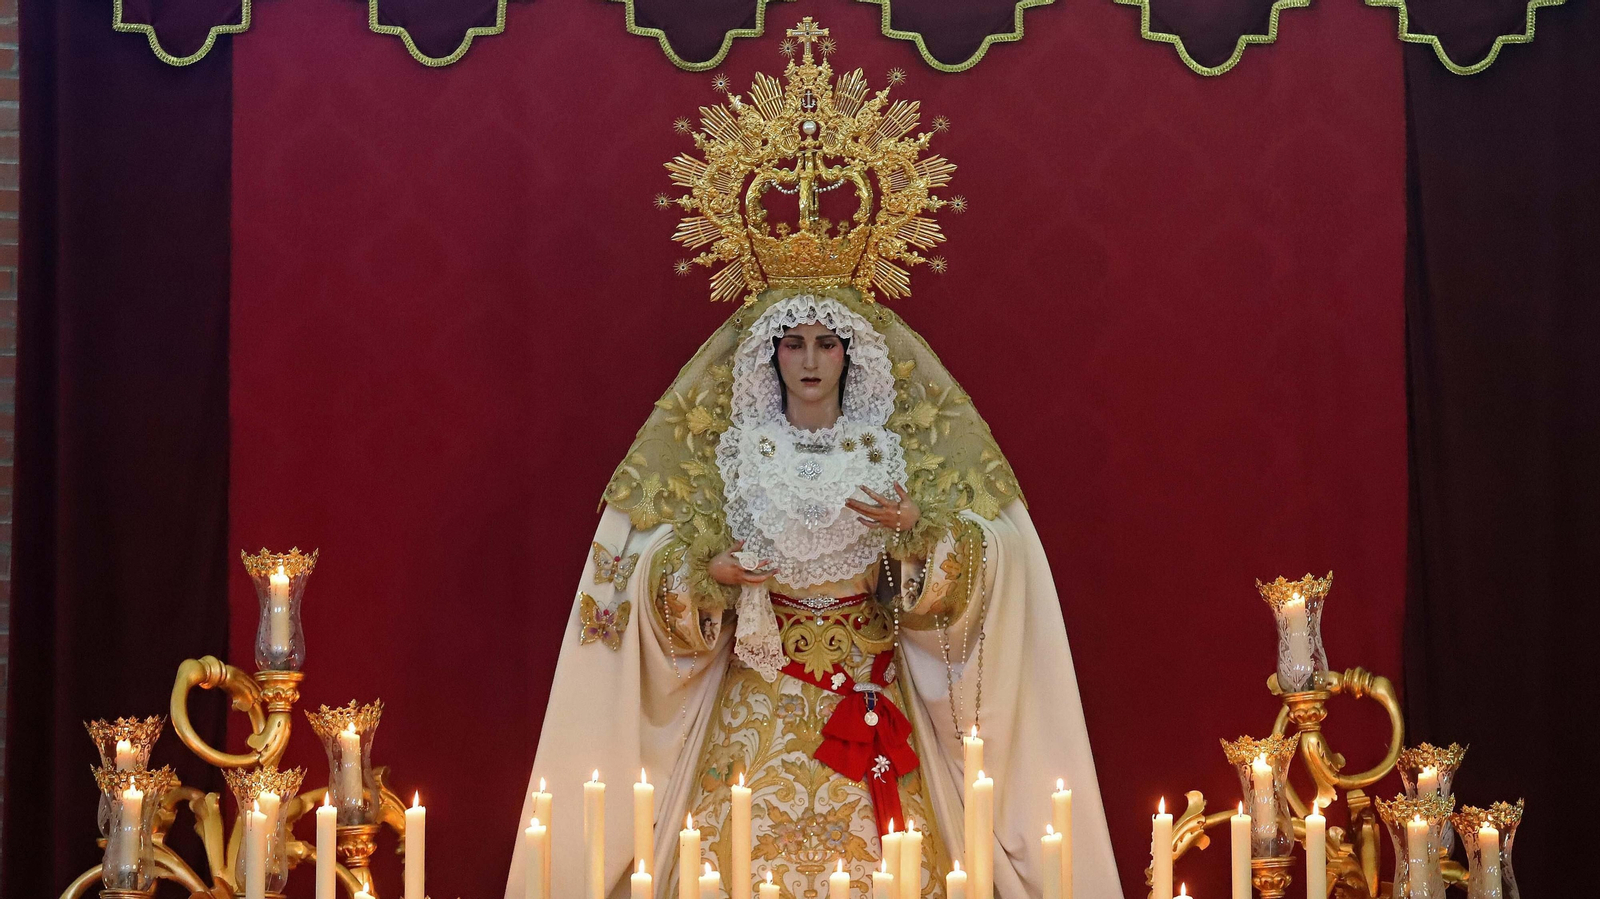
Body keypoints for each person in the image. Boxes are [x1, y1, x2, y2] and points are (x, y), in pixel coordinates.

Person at [506, 20, 1121, 899]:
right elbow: (647, 579)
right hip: (757, 712)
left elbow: (989, 568)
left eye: (825, 342)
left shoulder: (897, 449)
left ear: (849, 355)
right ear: (769, 356)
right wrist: (708, 575)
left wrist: (920, 537)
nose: (807, 359)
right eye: (791, 342)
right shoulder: (729, 455)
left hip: (870, 706)